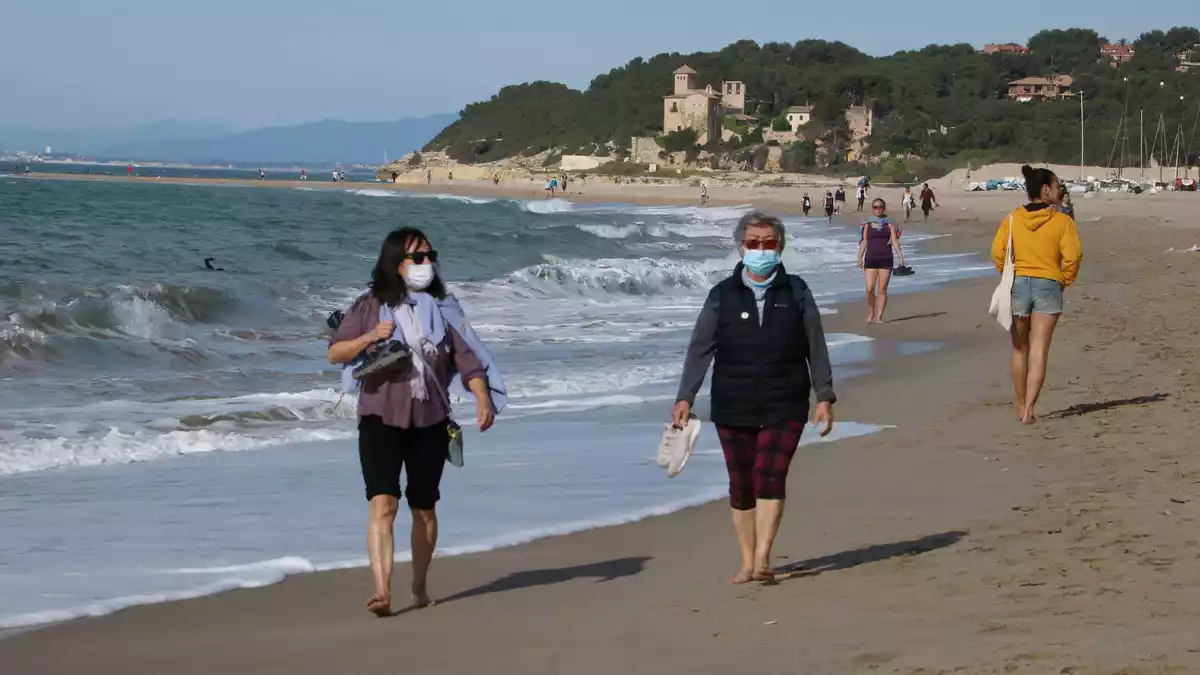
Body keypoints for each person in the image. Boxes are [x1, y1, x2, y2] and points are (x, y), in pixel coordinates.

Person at [327, 228, 499, 616]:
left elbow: (469, 362)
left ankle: (419, 588)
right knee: (383, 503)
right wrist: (370, 336)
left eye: (430, 256)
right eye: (417, 257)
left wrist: (483, 399)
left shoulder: (443, 310)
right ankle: (382, 592)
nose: (427, 263)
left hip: (430, 421)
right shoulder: (368, 307)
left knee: (424, 508)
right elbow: (335, 353)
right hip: (379, 417)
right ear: (395, 263)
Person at [672, 211, 836, 584]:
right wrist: (686, 396)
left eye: (769, 243)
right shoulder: (722, 295)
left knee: (770, 476)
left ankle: (763, 558)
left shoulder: (796, 291)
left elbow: (816, 345)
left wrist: (824, 396)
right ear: (741, 248)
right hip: (733, 402)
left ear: (780, 246)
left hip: (786, 400)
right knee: (742, 482)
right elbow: (700, 348)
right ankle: (747, 561)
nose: (761, 250)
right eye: (753, 244)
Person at [991, 165, 1082, 425]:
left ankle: (1020, 406)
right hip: (1049, 285)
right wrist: (1064, 279)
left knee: (1019, 349)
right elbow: (1073, 257)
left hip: (1018, 284)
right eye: (1056, 186)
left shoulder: (1012, 219)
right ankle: (1029, 410)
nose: (1058, 190)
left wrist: (1009, 273)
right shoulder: (1063, 221)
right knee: (1039, 350)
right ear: (1045, 190)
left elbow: (998, 253)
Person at [857, 198, 905, 324]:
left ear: (884, 208)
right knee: (869, 289)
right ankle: (870, 312)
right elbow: (864, 241)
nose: (878, 209)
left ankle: (879, 316)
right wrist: (859, 257)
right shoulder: (867, 224)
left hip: (886, 258)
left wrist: (901, 257)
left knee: (882, 288)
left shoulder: (890, 224)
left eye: (880, 207)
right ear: (872, 208)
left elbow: (894, 241)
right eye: (875, 207)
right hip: (871, 258)